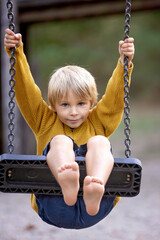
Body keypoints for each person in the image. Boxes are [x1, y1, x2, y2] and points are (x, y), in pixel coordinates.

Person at [4, 28, 135, 229]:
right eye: (65, 105)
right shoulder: (44, 120)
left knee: (99, 141)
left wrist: (124, 63)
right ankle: (66, 180)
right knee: (60, 141)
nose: (73, 112)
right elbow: (25, 90)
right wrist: (16, 52)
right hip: (53, 202)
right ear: (53, 105)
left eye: (81, 104)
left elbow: (116, 98)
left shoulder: (98, 120)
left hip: (98, 206)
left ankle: (95, 185)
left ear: (92, 103)